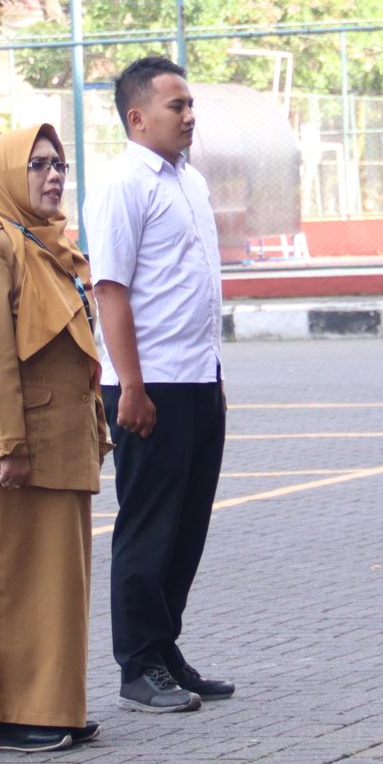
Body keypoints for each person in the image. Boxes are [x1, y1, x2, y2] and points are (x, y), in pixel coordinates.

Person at [0, 125, 111, 751]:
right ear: (7, 175)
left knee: (57, 585)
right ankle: (10, 714)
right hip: (13, 450)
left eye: (59, 165)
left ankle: (53, 705)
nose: (52, 177)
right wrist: (7, 444)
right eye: (37, 165)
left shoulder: (49, 246)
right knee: (10, 583)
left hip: (59, 441)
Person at [87, 55, 235, 715]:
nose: (189, 115)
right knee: (148, 525)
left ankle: (165, 644)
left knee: (188, 524)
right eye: (176, 106)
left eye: (191, 103)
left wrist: (215, 377)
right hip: (152, 384)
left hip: (199, 378)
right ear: (136, 116)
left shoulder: (190, 181)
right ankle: (138, 662)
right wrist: (131, 386)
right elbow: (110, 289)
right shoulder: (123, 183)